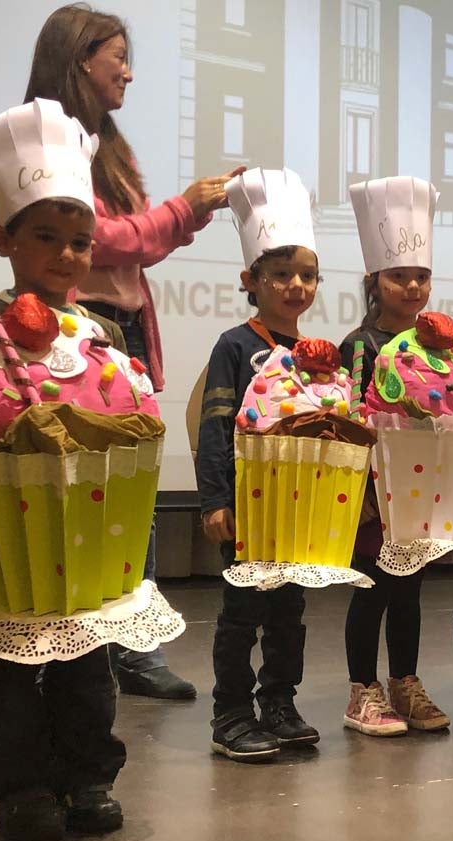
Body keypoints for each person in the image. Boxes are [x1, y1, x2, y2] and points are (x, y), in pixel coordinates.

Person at [0, 99, 181, 841]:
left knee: (86, 667)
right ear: (4, 237)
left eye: (80, 241)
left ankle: (87, 773)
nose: (68, 256)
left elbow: (128, 431)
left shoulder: (100, 335)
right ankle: (19, 785)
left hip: (84, 543)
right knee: (5, 674)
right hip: (0, 548)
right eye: (47, 237)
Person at [25, 4, 245, 699]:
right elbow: (107, 239)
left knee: (135, 488)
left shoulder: (110, 145)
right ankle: (79, 637)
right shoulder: (46, 137)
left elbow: (133, 245)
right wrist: (183, 209)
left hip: (122, 327)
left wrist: (190, 213)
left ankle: (131, 644)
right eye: (115, 56)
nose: (127, 70)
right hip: (70, 324)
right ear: (77, 60)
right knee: (77, 489)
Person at [196, 169, 323, 761]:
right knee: (242, 611)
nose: (295, 286)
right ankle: (230, 713)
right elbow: (215, 427)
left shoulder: (311, 355)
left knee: (289, 612)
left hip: (297, 510)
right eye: (280, 274)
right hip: (247, 507)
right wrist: (215, 499)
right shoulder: (234, 346)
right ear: (251, 280)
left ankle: (279, 702)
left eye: (307, 275)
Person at [338, 176, 451, 736]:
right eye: (399, 275)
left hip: (419, 487)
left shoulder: (443, 354)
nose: (412, 286)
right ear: (374, 282)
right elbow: (348, 420)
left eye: (421, 276)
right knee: (372, 585)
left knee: (409, 589)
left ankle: (405, 682)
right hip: (368, 494)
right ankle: (363, 689)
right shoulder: (361, 346)